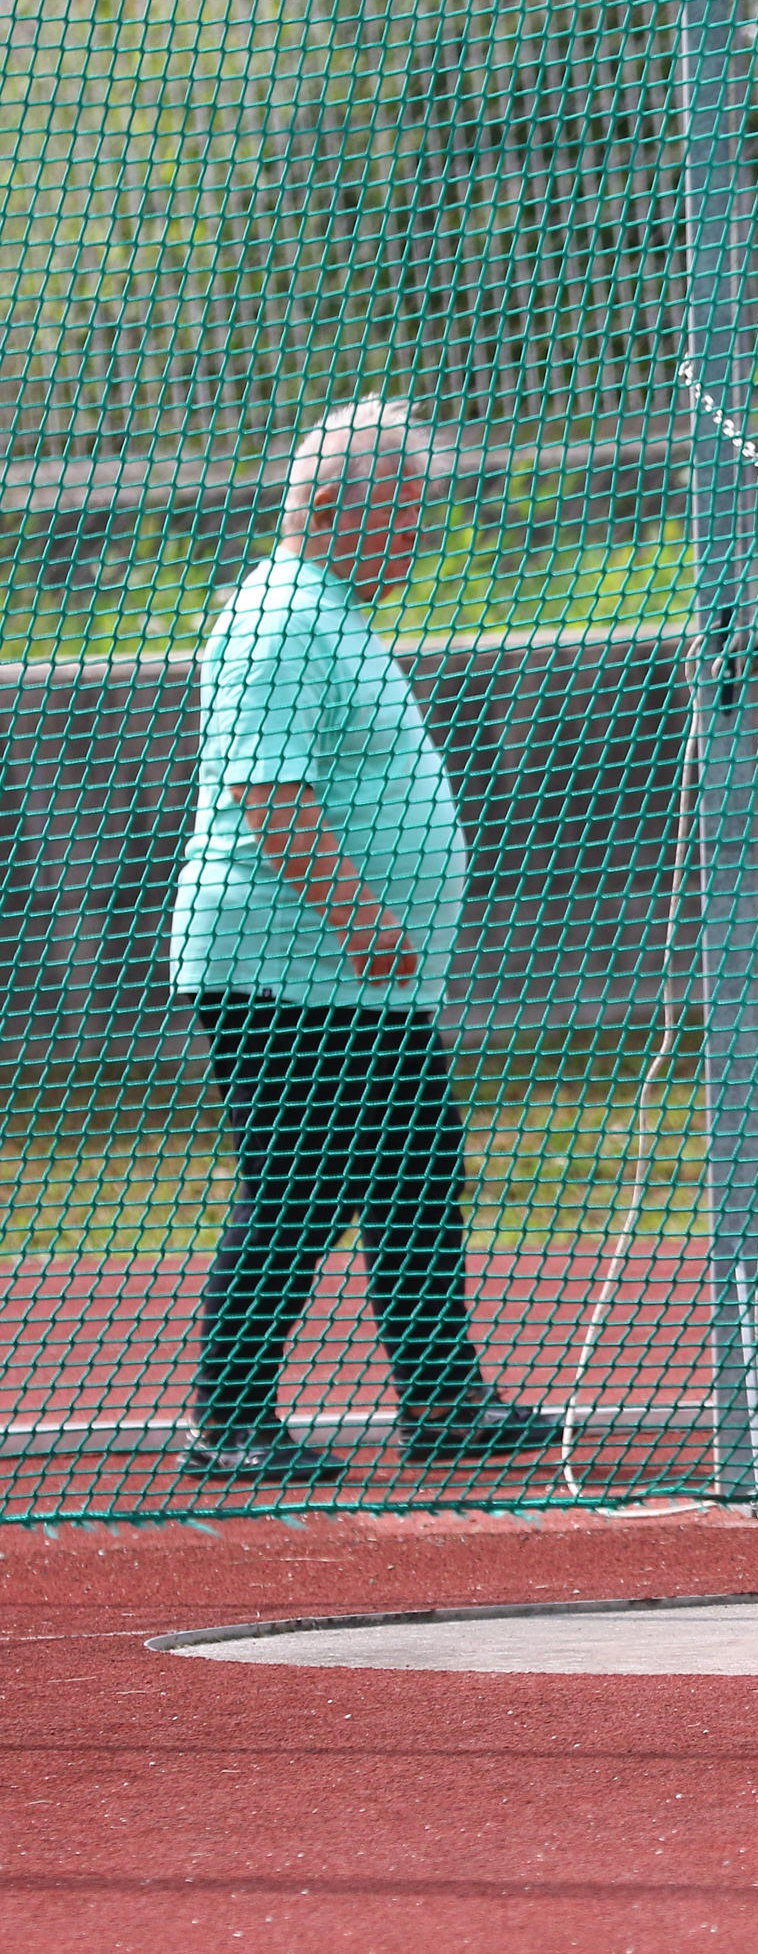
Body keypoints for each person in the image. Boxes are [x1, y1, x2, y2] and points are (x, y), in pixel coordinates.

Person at [169, 397, 557, 1485]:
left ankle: (441, 1399)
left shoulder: (326, 611)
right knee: (298, 1180)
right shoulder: (282, 618)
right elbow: (267, 793)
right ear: (339, 505)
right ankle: (229, 1418)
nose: (426, 529)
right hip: (288, 968)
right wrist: (368, 923)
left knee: (414, 1163)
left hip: (351, 977)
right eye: (409, 507)